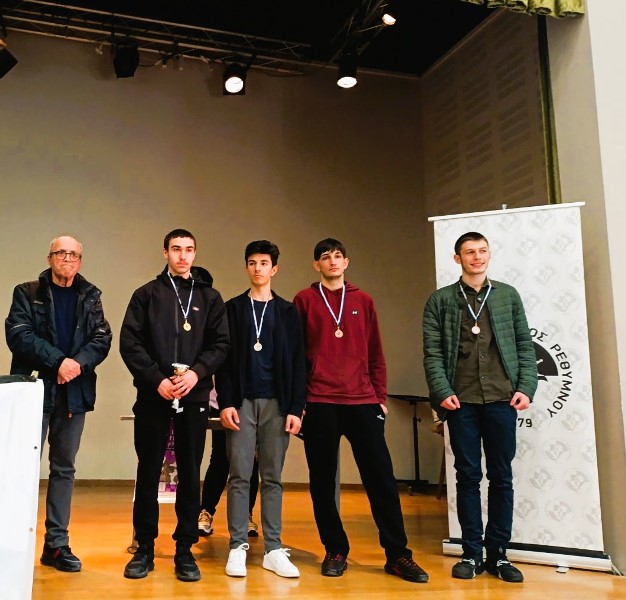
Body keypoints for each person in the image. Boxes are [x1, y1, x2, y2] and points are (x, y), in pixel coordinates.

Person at [293, 238, 429, 584]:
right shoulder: (304, 300)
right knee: (322, 482)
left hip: (362, 402)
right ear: (316, 265)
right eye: (326, 257)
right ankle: (335, 550)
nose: (333, 261)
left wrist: (379, 397)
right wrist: (299, 402)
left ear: (346, 262)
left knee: (381, 479)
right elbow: (295, 356)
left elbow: (375, 353)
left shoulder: (362, 300)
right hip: (320, 402)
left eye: (338, 256)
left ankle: (397, 554)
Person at [422, 231, 538, 583]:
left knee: (501, 477)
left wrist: (526, 387)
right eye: (470, 252)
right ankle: (471, 552)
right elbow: (432, 352)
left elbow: (524, 344)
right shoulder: (440, 300)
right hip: (461, 401)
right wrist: (442, 390)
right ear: (457, 258)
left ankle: (498, 554)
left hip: (503, 397)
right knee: (467, 477)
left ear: (489, 254)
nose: (477, 257)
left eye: (482, 251)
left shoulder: (507, 295)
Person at [119, 229, 229, 582]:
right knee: (149, 471)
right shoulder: (146, 295)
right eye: (176, 249)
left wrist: (196, 374)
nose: (183, 255)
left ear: (195, 254)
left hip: (194, 397)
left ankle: (184, 549)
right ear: (165, 252)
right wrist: (157, 379)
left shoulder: (210, 297)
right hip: (155, 395)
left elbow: (220, 344)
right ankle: (145, 548)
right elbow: (130, 343)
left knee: (190, 474)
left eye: (189, 249)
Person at [5, 235, 112, 572]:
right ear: (49, 257)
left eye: (74, 254)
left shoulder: (91, 296)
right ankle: (12, 544)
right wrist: (58, 362)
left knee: (64, 468)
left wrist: (76, 364)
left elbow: (102, 339)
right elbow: (19, 335)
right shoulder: (27, 293)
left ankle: (56, 545)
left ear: (80, 260)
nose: (67, 258)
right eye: (61, 253)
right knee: (21, 469)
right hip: (33, 390)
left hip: (73, 393)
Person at [217, 240, 306, 579]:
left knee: (273, 477)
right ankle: (237, 545)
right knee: (240, 474)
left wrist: (296, 407)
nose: (258, 268)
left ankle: (273, 548)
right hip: (241, 402)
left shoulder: (287, 312)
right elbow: (223, 361)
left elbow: (298, 362)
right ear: (246, 267)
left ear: (274, 269)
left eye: (264, 263)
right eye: (252, 263)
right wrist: (226, 401)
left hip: (277, 404)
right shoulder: (233, 309)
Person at [198, 388, 260, 538]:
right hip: (221, 403)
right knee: (220, 459)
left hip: (252, 402)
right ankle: (206, 511)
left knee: (250, 460)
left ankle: (246, 514)